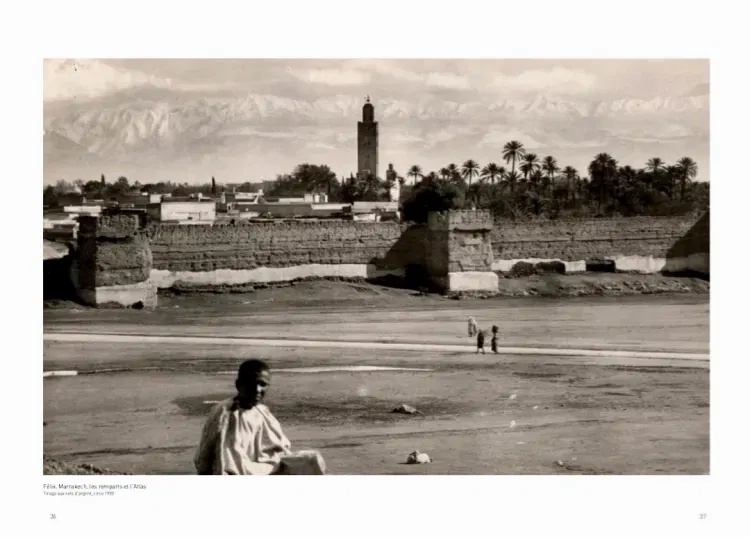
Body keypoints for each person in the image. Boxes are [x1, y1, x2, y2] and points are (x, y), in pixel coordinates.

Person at [194, 359, 326, 475]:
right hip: (240, 472)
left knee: (312, 460)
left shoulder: (262, 412)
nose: (257, 389)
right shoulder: (225, 414)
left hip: (265, 468)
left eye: (262, 384)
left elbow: (280, 448)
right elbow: (213, 460)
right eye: (251, 383)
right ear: (238, 384)